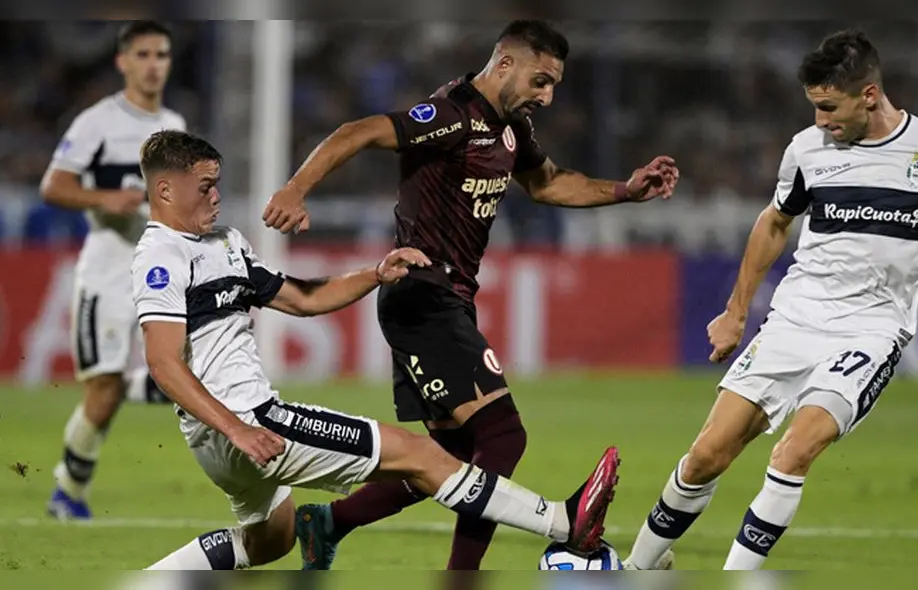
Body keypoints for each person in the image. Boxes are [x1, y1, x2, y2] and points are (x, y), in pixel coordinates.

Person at [261, 19, 678, 571]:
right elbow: (355, 132)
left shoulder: (509, 128)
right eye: (540, 81)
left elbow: (548, 183)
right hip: (420, 295)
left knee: (454, 456)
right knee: (503, 436)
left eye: (554, 85)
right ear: (504, 64)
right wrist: (295, 189)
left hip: (449, 299)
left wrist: (626, 190)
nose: (547, 97)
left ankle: (330, 523)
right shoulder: (451, 115)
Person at [134, 129, 621, 570]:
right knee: (422, 456)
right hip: (244, 422)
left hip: (220, 440)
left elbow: (302, 299)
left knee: (272, 540)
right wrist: (239, 427)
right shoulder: (162, 256)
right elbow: (162, 362)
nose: (216, 196)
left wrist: (374, 274)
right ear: (165, 191)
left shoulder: (225, 244)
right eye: (204, 187)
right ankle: (563, 523)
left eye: (217, 184)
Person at [622, 28, 918, 571]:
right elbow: (774, 223)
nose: (820, 121)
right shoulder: (808, 150)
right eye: (814, 107)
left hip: (872, 330)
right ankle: (639, 569)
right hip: (795, 319)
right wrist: (736, 310)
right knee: (705, 457)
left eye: (829, 107)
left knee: (794, 451)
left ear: (869, 95)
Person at [41, 20, 187, 520]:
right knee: (103, 390)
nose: (153, 64)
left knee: (186, 373)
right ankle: (68, 491)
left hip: (160, 269)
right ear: (123, 61)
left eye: (161, 54)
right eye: (143, 54)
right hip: (106, 267)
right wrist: (107, 198)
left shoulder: (174, 124)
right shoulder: (97, 122)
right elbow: (54, 185)